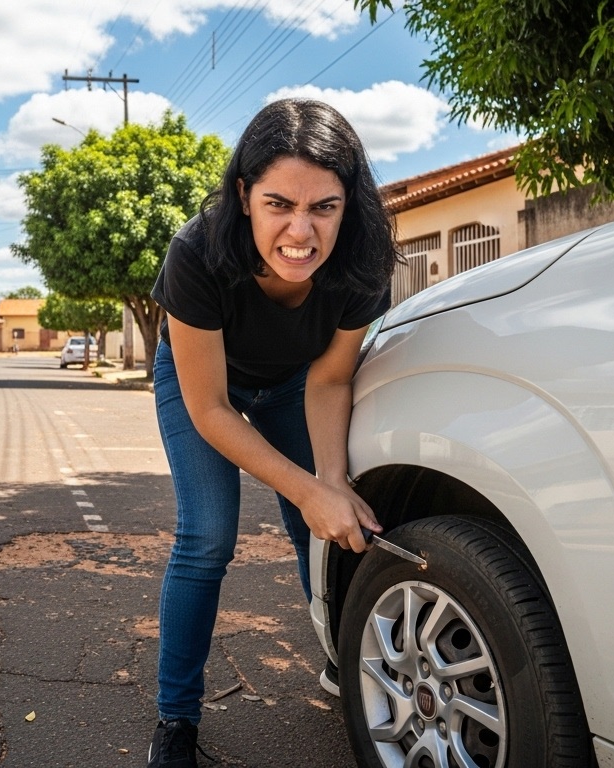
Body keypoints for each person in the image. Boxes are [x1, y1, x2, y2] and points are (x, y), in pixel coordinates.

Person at [146, 98, 399, 768]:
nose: (301, 231)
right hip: (204, 383)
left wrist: (331, 483)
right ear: (244, 195)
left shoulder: (364, 265)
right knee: (207, 535)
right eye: (279, 204)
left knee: (314, 517)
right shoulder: (197, 253)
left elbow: (330, 380)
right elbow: (210, 411)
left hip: (293, 379)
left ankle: (340, 660)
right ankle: (176, 720)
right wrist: (307, 486)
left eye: (324, 207)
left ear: (350, 205)